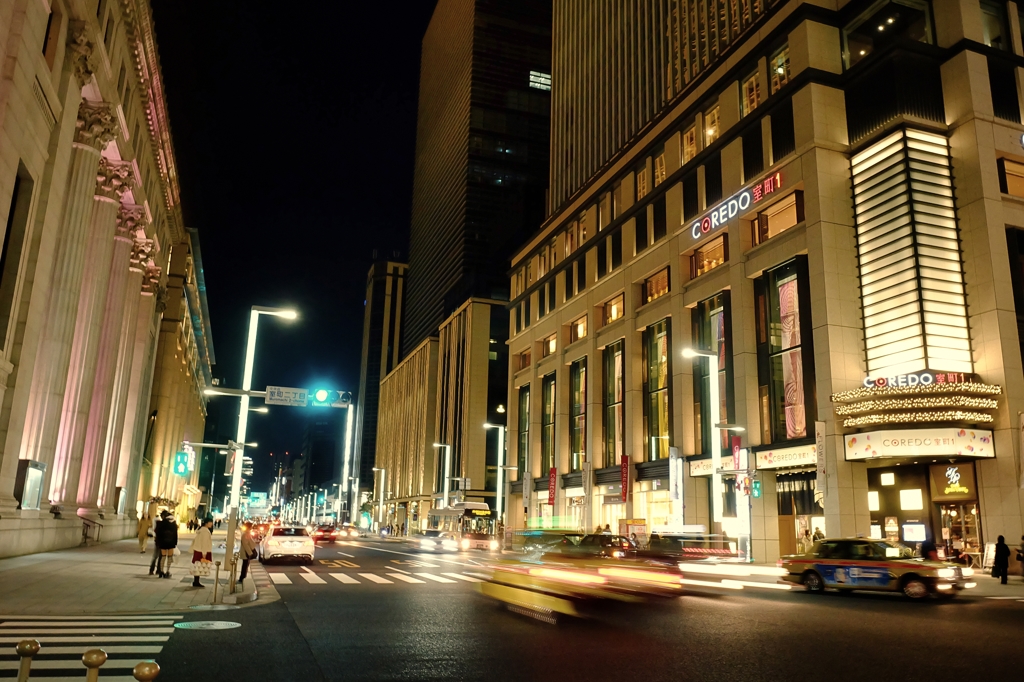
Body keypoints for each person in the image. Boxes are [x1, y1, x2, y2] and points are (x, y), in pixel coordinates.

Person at [190, 517, 214, 588]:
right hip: (202, 551)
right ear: (206, 523)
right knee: (200, 565)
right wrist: (204, 553)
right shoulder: (205, 531)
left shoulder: (201, 530)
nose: (212, 524)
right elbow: (204, 543)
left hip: (198, 550)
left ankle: (196, 581)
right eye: (210, 522)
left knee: (198, 565)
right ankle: (196, 581)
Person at [152, 511, 177, 578]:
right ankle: (167, 571)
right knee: (169, 557)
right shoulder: (173, 524)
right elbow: (175, 534)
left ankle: (161, 571)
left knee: (163, 557)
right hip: (171, 542)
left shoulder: (161, 523)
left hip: (163, 542)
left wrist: (158, 542)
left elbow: (158, 533)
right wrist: (175, 543)